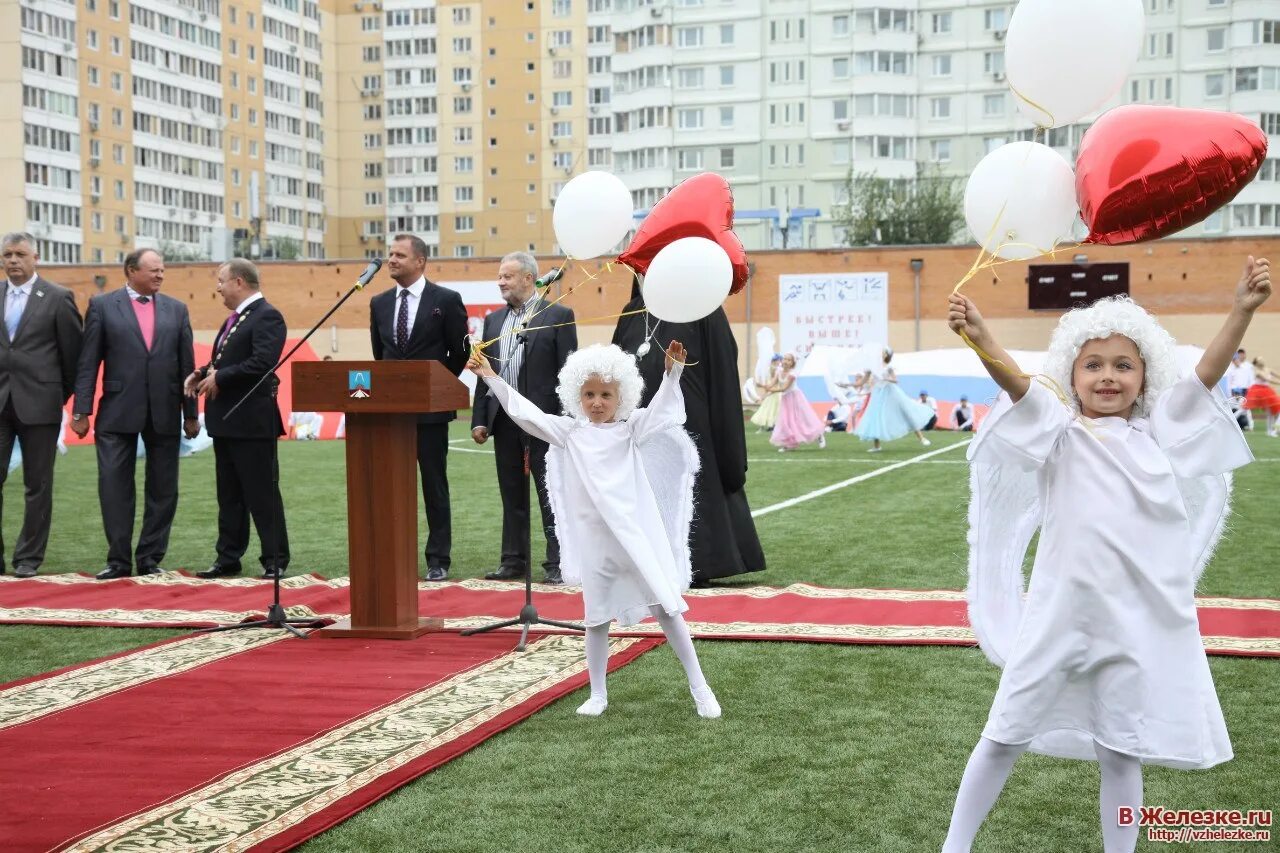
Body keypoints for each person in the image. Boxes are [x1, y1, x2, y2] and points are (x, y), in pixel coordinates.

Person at [940, 255, 1271, 853]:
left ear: (1146, 377)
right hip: (1058, 618)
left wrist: (1242, 310)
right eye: (1092, 365)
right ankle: (955, 845)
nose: (1108, 376)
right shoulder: (1058, 433)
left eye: (1124, 365)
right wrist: (979, 336)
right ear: (1072, 374)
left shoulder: (1159, 435)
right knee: (1004, 732)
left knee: (1121, 749)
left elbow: (1203, 377)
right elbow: (1016, 382)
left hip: (1131, 626)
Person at [469, 341, 720, 719]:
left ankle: (700, 687)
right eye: (589, 394)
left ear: (622, 396)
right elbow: (525, 413)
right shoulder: (569, 433)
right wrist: (490, 375)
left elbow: (664, 410)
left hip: (634, 540)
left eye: (606, 394)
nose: (597, 402)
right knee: (596, 618)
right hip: (596, 544)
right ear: (576, 395)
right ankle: (598, 693)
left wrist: (673, 373)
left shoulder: (632, 429)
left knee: (667, 609)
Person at [612, 276, 764, 583]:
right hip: (640, 427)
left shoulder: (701, 309)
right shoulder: (632, 311)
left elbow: (722, 369)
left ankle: (699, 564)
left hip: (690, 423)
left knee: (689, 491)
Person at [71, 249, 199, 580]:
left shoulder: (177, 309)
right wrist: (81, 410)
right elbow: (88, 362)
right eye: (153, 270)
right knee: (114, 486)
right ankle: (118, 561)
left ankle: (150, 559)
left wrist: (191, 414)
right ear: (130, 271)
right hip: (116, 413)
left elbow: (187, 366)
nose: (160, 275)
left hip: (165, 413)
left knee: (163, 489)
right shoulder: (101, 306)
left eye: (162, 271)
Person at [471, 252, 576, 585]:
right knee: (511, 494)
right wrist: (480, 419)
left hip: (545, 423)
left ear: (529, 278)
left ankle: (559, 561)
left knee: (551, 494)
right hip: (504, 422)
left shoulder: (559, 315)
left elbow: (569, 375)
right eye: (500, 276)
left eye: (507, 276)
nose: (500, 282)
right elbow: (483, 374)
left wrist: (565, 423)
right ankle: (513, 560)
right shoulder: (492, 322)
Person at [370, 234, 469, 581]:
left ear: (420, 261)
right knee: (389, 486)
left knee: (433, 485)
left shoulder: (446, 299)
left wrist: (436, 386)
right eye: (389, 254)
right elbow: (379, 356)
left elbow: (460, 352)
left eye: (399, 254)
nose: (391, 259)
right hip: (390, 415)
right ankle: (392, 554)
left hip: (430, 413)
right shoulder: (379, 303)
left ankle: (437, 559)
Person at [186, 259, 291, 580]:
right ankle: (228, 557)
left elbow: (262, 362)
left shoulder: (267, 316)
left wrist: (221, 378)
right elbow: (224, 360)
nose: (217, 287)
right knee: (229, 495)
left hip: (252, 422)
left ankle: (275, 559)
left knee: (261, 493)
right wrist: (202, 373)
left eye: (221, 281)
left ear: (240, 282)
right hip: (227, 421)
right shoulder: (234, 319)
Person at [0, 232, 83, 577]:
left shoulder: (58, 297)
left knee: (38, 485)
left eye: (20, 254)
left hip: (41, 404)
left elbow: (73, 356)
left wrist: (57, 396)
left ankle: (28, 559)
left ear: (36, 257)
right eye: (7, 255)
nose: (13, 260)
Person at [853, 347, 933, 452]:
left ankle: (921, 438)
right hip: (878, 394)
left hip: (891, 391)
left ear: (886, 355)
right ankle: (877, 446)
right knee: (875, 416)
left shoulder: (889, 367)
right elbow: (862, 381)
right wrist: (847, 385)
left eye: (883, 352)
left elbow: (895, 380)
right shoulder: (872, 367)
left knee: (906, 411)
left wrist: (886, 378)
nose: (880, 354)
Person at [770, 353, 827, 452]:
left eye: (789, 360)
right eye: (785, 359)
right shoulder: (779, 371)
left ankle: (819, 434)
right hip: (785, 399)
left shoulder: (792, 374)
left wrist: (770, 390)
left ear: (792, 363)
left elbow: (784, 388)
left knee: (804, 419)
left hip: (795, 398)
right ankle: (790, 444)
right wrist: (764, 388)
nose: (786, 361)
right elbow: (771, 383)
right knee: (786, 421)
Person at [1244, 357, 1280, 437]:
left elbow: (1278, 375)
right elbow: (1267, 379)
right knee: (1244, 409)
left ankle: (1271, 431)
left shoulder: (1268, 369)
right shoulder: (1258, 372)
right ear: (1257, 363)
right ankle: (1273, 430)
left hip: (1267, 391)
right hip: (1259, 392)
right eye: (1260, 359)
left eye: (1262, 359)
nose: (1262, 360)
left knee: (1271, 412)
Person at [749, 355, 783, 432]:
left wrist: (762, 391)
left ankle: (774, 426)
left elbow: (773, 386)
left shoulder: (778, 371)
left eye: (777, 361)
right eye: (774, 361)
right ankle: (771, 426)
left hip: (776, 394)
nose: (776, 362)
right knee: (768, 410)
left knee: (774, 411)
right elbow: (769, 386)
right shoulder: (771, 371)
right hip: (772, 394)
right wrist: (762, 394)